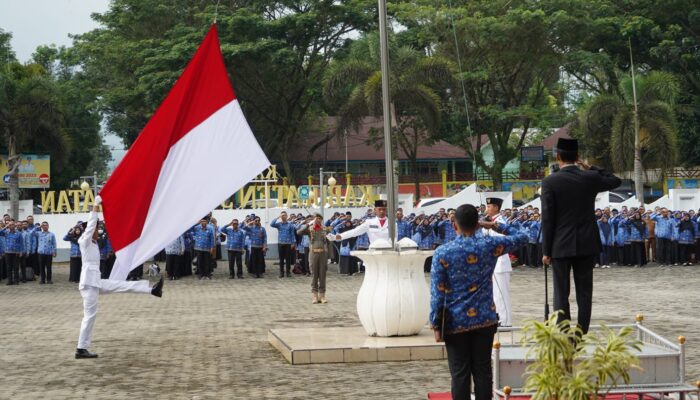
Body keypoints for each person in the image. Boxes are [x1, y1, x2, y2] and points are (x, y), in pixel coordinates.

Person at [430, 204, 528, 400]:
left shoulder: (443, 252)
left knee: (459, 374)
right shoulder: (489, 245)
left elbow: (437, 293)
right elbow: (524, 236)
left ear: (454, 224)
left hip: (455, 322)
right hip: (484, 319)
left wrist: (435, 323)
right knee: (483, 371)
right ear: (477, 224)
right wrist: (494, 226)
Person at [541, 138, 621, 334]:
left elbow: (548, 219)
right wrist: (591, 167)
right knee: (584, 292)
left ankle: (565, 331)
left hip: (560, 244)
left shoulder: (550, 181)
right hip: (587, 243)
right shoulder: (590, 177)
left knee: (561, 292)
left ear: (558, 157)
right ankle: (581, 333)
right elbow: (615, 180)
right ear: (577, 157)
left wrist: (546, 251)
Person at [75, 198, 164, 359]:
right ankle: (81, 348)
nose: (98, 230)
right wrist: (95, 207)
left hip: (95, 281)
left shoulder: (94, 243)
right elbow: (90, 226)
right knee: (89, 315)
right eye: (97, 228)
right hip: (88, 283)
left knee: (122, 285)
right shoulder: (85, 241)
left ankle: (152, 290)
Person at [480, 197, 514, 327]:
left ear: (495, 208)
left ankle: (505, 322)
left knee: (502, 294)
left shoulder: (500, 221)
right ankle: (499, 317)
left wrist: (489, 229)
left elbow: (501, 240)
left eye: (489, 207)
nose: (486, 209)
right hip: (492, 263)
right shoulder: (490, 221)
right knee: (495, 295)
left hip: (500, 263)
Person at [297, 214, 331, 304]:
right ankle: (315, 296)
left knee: (322, 275)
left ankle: (322, 296)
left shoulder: (325, 229)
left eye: (320, 218)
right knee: (314, 275)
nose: (318, 220)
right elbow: (299, 232)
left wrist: (330, 256)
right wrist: (308, 224)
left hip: (323, 254)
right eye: (316, 218)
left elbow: (330, 242)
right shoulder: (310, 229)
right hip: (313, 254)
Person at [270, 211, 297, 278]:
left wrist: (293, 243)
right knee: (281, 259)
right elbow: (271, 224)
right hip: (280, 243)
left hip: (288, 243)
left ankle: (288, 272)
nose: (283, 216)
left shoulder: (290, 224)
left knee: (288, 259)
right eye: (282, 215)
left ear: (287, 216)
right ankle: (281, 273)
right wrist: (277, 217)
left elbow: (292, 234)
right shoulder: (279, 224)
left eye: (285, 215)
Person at [0, 221, 25, 285]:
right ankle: (9, 280)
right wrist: (5, 227)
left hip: (16, 252)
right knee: (9, 267)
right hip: (8, 252)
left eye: (13, 225)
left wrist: (21, 251)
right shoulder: (6, 232)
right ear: (8, 225)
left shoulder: (19, 233)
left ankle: (16, 280)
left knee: (16, 267)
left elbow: (21, 243)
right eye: (10, 225)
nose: (11, 226)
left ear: (15, 226)